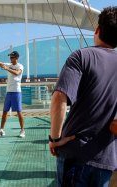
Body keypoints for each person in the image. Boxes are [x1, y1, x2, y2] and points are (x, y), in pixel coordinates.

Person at [49, 6, 117, 186]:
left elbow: (59, 98)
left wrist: (55, 139)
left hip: (76, 155)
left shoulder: (80, 57)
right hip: (106, 159)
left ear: (98, 29)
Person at [0, 51, 25, 138]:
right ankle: (1, 130)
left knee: (19, 112)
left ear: (16, 58)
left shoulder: (20, 66)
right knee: (5, 112)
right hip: (9, 92)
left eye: (12, 57)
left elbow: (17, 73)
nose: (10, 59)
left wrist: (7, 68)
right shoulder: (8, 65)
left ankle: (22, 130)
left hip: (16, 92)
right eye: (10, 57)